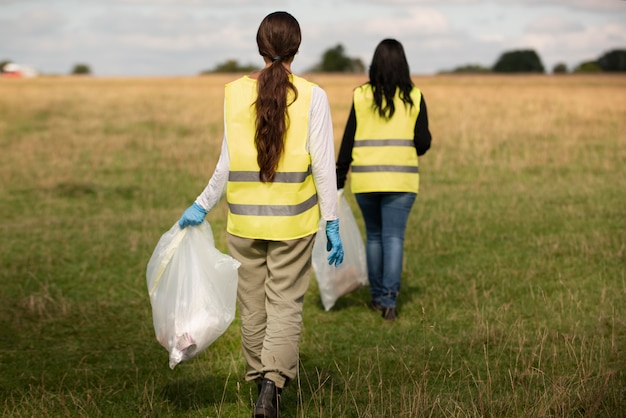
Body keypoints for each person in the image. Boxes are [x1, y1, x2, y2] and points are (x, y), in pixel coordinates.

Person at [177, 11, 344, 418]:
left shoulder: (234, 92)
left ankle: (259, 390)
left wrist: (202, 204)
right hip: (294, 223)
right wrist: (332, 220)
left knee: (253, 309)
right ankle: (273, 385)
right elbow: (324, 166)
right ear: (297, 48)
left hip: (244, 223)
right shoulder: (312, 95)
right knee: (285, 305)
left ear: (259, 46)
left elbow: (225, 162)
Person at [335, 38, 432, 322]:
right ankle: (390, 301)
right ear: (404, 65)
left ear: (374, 65)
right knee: (393, 238)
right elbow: (423, 142)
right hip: (401, 182)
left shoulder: (361, 96)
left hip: (366, 181)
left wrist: (340, 176)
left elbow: (348, 140)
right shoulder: (415, 97)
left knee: (374, 237)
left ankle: (376, 297)